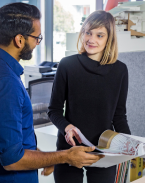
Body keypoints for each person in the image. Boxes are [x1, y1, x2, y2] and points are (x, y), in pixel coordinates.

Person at [0, 3, 103, 183]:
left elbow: (2, 135)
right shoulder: (6, 84)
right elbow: (12, 160)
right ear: (19, 40)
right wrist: (65, 156)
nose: (37, 43)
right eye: (37, 38)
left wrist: (41, 156)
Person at [48, 10, 131, 183]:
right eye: (88, 33)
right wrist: (67, 127)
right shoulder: (67, 65)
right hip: (70, 151)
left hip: (103, 151)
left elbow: (119, 116)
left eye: (99, 35)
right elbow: (54, 111)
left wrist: (131, 144)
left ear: (109, 38)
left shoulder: (120, 70)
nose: (91, 40)